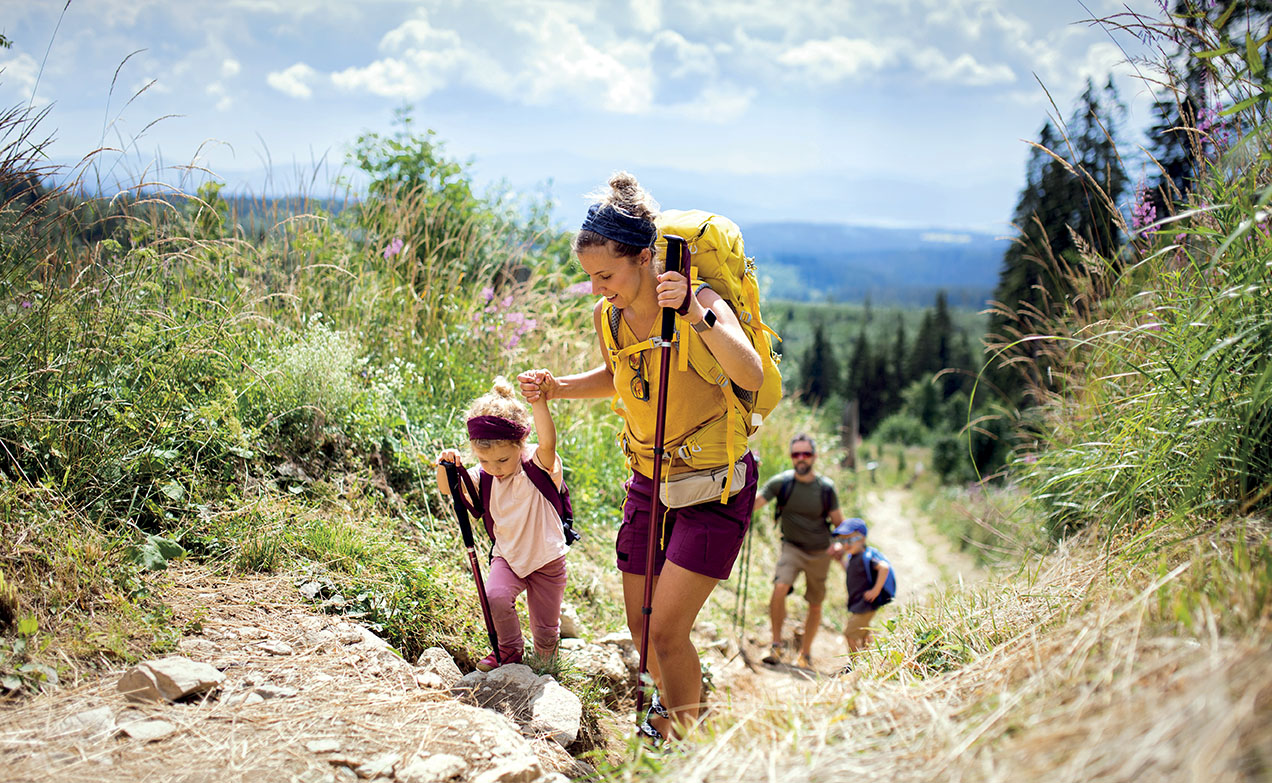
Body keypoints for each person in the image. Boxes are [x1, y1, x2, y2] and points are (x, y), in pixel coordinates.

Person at [519, 172, 763, 743]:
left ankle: (686, 743)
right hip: (649, 481)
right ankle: (672, 720)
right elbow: (620, 376)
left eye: (606, 274)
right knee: (641, 626)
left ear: (645, 257)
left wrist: (698, 317)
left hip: (713, 486)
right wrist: (558, 388)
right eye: (590, 277)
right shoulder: (610, 315)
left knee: (670, 630)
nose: (598, 287)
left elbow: (749, 371)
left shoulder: (698, 301)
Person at [436, 374, 568, 671]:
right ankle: (509, 651)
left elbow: (548, 441)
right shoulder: (483, 477)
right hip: (507, 555)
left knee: (546, 630)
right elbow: (447, 488)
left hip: (547, 558)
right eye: (484, 461)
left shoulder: (537, 464)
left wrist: (539, 401)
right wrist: (445, 464)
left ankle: (547, 664)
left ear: (521, 444)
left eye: (503, 461)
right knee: (495, 596)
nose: (495, 469)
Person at [752, 434, 844, 669]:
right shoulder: (781, 483)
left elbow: (839, 524)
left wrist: (841, 544)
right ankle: (776, 645)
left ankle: (805, 653)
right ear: (791, 457)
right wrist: (748, 475)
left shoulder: (825, 488)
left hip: (820, 552)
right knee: (780, 587)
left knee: (815, 603)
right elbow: (754, 503)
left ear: (814, 456)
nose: (801, 459)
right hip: (791, 547)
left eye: (806, 454)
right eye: (796, 454)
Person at [829, 518, 894, 652]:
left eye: (850, 540)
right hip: (859, 603)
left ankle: (855, 663)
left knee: (849, 634)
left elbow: (884, 568)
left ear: (862, 539)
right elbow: (851, 572)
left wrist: (876, 590)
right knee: (864, 632)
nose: (846, 545)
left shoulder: (867, 557)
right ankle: (870, 657)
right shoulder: (853, 557)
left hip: (866, 604)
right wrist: (841, 561)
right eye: (842, 541)